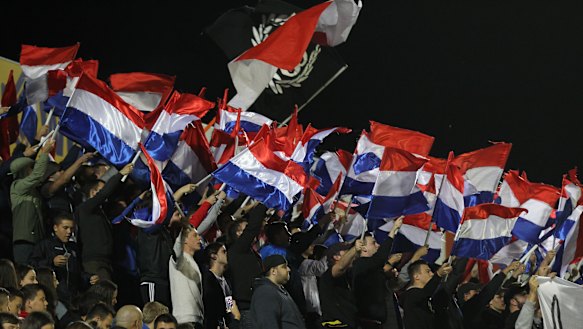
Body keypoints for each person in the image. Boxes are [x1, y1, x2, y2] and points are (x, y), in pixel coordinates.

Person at [76, 163, 134, 281]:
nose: (106, 194)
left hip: (105, 261)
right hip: (94, 262)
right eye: (101, 190)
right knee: (102, 295)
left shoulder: (101, 211)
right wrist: (120, 174)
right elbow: (104, 193)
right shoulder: (85, 208)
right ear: (93, 193)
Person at [30, 214, 96, 303]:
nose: (69, 232)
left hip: (73, 297)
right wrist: (52, 262)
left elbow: (79, 272)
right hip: (53, 297)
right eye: (65, 228)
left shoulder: (74, 248)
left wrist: (89, 279)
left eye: (71, 228)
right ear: (55, 228)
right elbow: (33, 264)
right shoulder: (45, 245)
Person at [352, 218, 403, 329]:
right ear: (363, 248)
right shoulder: (360, 264)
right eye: (373, 243)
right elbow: (379, 258)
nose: (378, 246)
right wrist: (393, 230)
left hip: (380, 322)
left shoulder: (374, 268)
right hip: (366, 322)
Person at [11, 140, 54, 264]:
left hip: (37, 242)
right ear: (24, 171)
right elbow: (37, 175)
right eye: (31, 168)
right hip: (24, 242)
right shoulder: (17, 186)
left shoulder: (34, 191)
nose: (33, 170)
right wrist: (45, 153)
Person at [226, 204, 266, 329]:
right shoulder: (237, 249)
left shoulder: (248, 252)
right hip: (246, 310)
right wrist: (264, 202)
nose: (249, 230)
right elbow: (253, 227)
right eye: (245, 228)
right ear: (239, 233)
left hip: (256, 307)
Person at [459, 261, 522, 329]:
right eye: (476, 292)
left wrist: (514, 276)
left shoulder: (487, 313)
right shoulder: (468, 312)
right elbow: (487, 292)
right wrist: (505, 271)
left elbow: (505, 292)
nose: (479, 294)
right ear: (466, 296)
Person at [249, 255, 305, 329]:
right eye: (284, 267)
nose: (288, 269)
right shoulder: (265, 292)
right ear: (273, 271)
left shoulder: (279, 289)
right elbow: (267, 325)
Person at [318, 240, 364, 328]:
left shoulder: (348, 275)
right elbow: (340, 267)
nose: (351, 255)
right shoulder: (327, 276)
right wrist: (354, 249)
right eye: (347, 252)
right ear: (336, 256)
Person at [400, 260, 453, 329]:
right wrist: (438, 275)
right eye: (428, 271)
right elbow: (424, 293)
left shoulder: (425, 297)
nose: (431, 274)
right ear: (416, 276)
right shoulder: (410, 295)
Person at [169, 225, 203, 327]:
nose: (199, 238)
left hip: (197, 318)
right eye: (195, 235)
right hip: (185, 319)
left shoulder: (195, 262)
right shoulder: (179, 259)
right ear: (184, 240)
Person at [202, 242, 239, 329]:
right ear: (214, 256)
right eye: (223, 251)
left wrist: (232, 317)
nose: (227, 254)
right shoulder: (207, 280)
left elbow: (229, 307)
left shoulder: (227, 281)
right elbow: (210, 308)